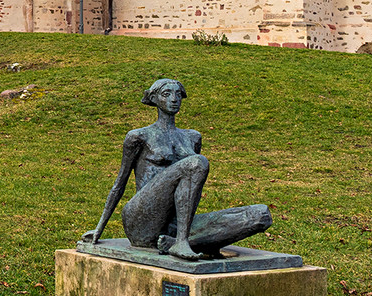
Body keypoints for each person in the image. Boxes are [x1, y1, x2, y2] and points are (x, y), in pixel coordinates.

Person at [81, 78, 272, 261]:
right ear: (153, 99)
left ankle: (183, 241)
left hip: (171, 226)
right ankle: (183, 242)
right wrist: (99, 229)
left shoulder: (192, 138)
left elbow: (189, 188)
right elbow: (119, 184)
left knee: (260, 215)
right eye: (166, 94)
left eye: (178, 95)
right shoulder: (139, 136)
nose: (174, 99)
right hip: (141, 222)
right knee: (197, 162)